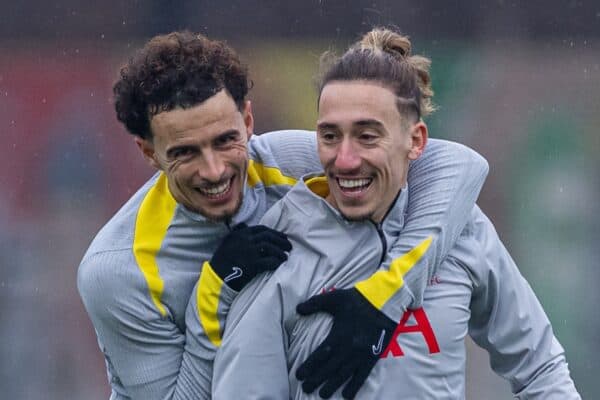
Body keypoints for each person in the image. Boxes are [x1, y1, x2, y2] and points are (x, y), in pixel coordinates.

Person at [77, 31, 488, 399]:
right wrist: (213, 296)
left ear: (249, 121)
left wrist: (386, 295)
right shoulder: (117, 271)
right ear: (148, 153)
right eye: (185, 152)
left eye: (225, 141)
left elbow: (458, 166)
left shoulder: (285, 162)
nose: (215, 170)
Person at [211, 27, 581, 399]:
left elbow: (540, 369)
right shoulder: (277, 249)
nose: (345, 160)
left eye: (367, 136)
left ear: (416, 141)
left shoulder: (462, 231)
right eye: (329, 136)